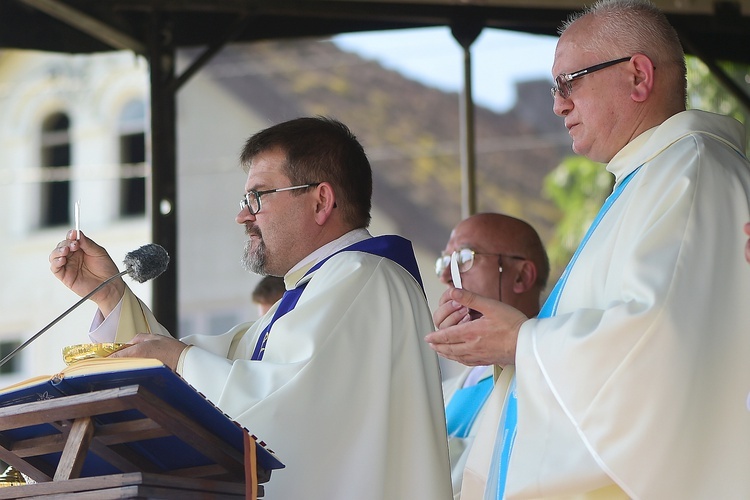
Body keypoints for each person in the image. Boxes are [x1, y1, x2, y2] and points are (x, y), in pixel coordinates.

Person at [426, 1, 750, 498]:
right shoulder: (649, 179)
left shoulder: (691, 171)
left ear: (638, 76)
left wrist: (523, 343)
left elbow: (659, 339)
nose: (557, 104)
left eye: (569, 81)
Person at [49, 117, 452, 500]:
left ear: (321, 201)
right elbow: (207, 369)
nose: (242, 215)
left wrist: (178, 360)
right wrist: (111, 296)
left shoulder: (364, 278)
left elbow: (280, 405)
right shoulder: (312, 292)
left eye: (256, 197)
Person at [435, 213, 548, 499]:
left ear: (521, 276)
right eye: (445, 262)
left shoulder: (550, 372)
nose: (447, 275)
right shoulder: (444, 392)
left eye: (463, 258)